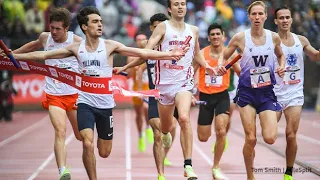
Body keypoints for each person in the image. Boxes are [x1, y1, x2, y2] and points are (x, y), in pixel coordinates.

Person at [7, 6, 186, 180]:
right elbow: (42, 56)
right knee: (86, 142)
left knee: (104, 152)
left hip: (105, 105)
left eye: (100, 21)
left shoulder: (110, 46)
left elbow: (141, 52)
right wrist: (12, 56)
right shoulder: (76, 48)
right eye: (95, 21)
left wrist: (169, 54)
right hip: (84, 102)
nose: (100, 24)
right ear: (85, 26)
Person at [117, 0, 215, 179]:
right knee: (166, 127)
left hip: (184, 83)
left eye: (183, 4)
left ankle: (188, 165)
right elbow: (146, 53)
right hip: (163, 86)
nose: (180, 7)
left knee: (184, 118)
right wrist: (125, 67)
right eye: (176, 4)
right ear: (169, 9)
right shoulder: (162, 28)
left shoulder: (193, 30)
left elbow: (197, 54)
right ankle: (164, 132)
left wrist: (207, 66)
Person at [217, 1, 285, 180]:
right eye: (253, 14)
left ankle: (273, 113)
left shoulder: (273, 37)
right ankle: (250, 175)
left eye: (260, 14)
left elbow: (280, 55)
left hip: (266, 92)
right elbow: (224, 55)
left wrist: (281, 66)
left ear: (265, 16)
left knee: (270, 138)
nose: (257, 17)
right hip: (247, 92)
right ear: (249, 17)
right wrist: (223, 66)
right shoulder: (240, 37)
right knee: (251, 138)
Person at [12, 7, 82, 180]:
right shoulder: (46, 37)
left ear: (67, 28)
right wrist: (12, 54)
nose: (54, 32)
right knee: (60, 130)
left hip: (74, 95)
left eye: (58, 29)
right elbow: (33, 45)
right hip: (54, 95)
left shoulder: (78, 42)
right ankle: (63, 171)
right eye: (52, 27)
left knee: (81, 135)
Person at [273, 6, 320, 180]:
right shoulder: (271, 40)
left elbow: (314, 55)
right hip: (275, 94)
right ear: (276, 21)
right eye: (281, 18)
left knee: (291, 134)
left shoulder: (301, 40)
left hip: (294, 94)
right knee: (269, 137)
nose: (285, 20)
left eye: (287, 17)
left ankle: (288, 172)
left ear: (291, 20)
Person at [193, 23, 240, 179]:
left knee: (221, 130)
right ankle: (216, 141)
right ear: (208, 37)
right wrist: (191, 92)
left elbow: (241, 73)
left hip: (222, 96)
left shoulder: (230, 54)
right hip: (205, 97)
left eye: (218, 34)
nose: (215, 37)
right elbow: (191, 73)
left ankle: (216, 167)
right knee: (203, 137)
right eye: (212, 35)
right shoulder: (201, 54)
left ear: (223, 36)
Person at [127, 32, 153, 152]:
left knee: (146, 108)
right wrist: (134, 69)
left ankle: (148, 127)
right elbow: (129, 75)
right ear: (136, 42)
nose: (141, 41)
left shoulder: (151, 53)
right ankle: (140, 135)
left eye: (143, 39)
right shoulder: (132, 56)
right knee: (138, 114)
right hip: (138, 87)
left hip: (148, 87)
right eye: (138, 39)